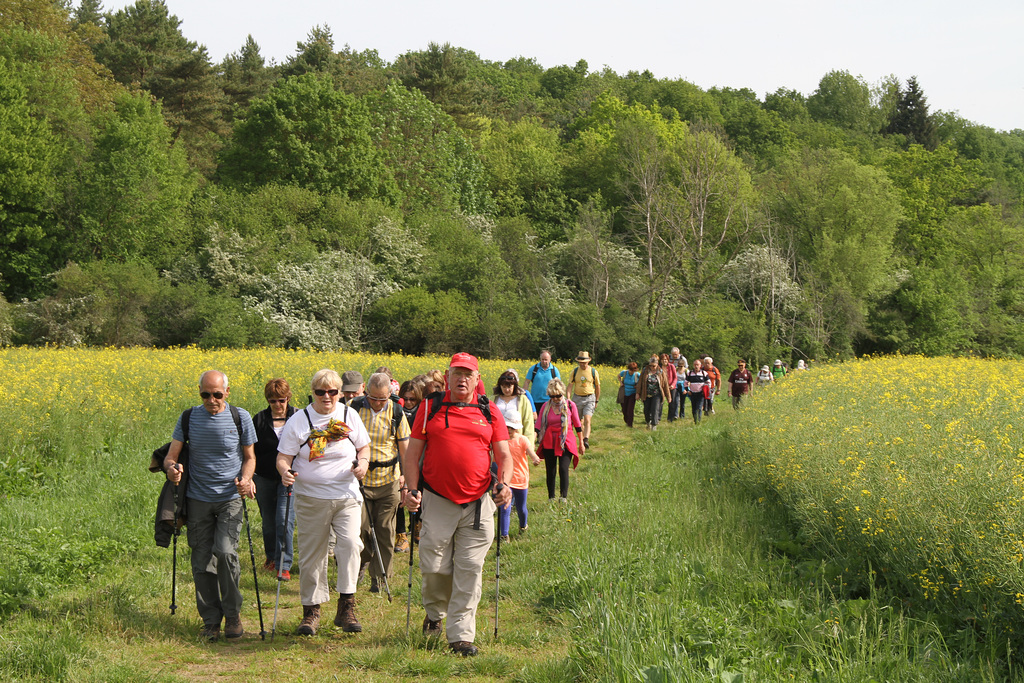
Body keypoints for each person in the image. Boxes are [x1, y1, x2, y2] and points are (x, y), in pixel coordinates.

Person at [402, 353, 513, 658]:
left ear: (478, 380)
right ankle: (435, 613)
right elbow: (412, 455)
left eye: (468, 374)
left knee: (470, 568)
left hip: (478, 503)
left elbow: (504, 455)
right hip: (438, 498)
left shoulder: (488, 410)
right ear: (448, 376)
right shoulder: (431, 406)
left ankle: (461, 634)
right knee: (434, 567)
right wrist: (411, 489)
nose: (462, 379)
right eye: (457, 373)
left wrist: (504, 485)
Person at [163, 370, 257, 642]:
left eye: (217, 394)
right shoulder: (189, 417)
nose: (211, 400)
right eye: (205, 394)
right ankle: (211, 621)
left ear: (227, 392)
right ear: (200, 392)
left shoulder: (241, 417)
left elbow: (250, 457)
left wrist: (246, 479)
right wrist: (172, 470)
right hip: (197, 499)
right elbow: (172, 456)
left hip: (230, 498)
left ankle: (233, 615)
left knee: (226, 554)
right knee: (202, 560)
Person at [277, 369, 372, 636]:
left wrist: (363, 464)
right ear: (313, 393)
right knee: (312, 554)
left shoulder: (348, 414)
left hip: (346, 495)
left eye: (332, 391)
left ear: (340, 393)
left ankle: (346, 604)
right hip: (310, 497)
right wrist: (285, 472)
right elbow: (284, 456)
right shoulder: (300, 420)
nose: (327, 397)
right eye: (321, 392)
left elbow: (364, 447)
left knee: (352, 544)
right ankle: (312, 610)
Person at [349, 373, 410, 594]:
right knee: (361, 530)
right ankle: (362, 563)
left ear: (390, 395)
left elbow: (405, 449)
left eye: (382, 399)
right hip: (359, 482)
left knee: (385, 530)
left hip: (389, 480)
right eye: (372, 398)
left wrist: (405, 481)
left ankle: (381, 576)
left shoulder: (396, 412)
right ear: (366, 393)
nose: (376, 403)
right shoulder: (353, 408)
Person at [252, 378, 297, 581]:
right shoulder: (259, 420)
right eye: (273, 401)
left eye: (281, 400)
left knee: (284, 519)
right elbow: (251, 451)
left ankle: (284, 565)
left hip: (289, 478)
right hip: (264, 477)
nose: (278, 405)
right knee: (269, 522)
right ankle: (271, 557)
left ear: (288, 398)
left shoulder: (298, 417)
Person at [537, 378, 584, 502]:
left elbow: (577, 425)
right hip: (549, 441)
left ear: (562, 393)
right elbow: (538, 425)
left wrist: (581, 443)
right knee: (550, 470)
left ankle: (563, 497)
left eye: (558, 395)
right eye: (553, 396)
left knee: (563, 469)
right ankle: (551, 497)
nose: (556, 399)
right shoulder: (545, 407)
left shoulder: (570, 405)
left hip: (566, 441)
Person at [497, 425, 541, 541]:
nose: (509, 430)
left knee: (521, 508)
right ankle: (504, 535)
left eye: (511, 428)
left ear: (516, 428)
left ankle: (523, 526)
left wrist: (535, 459)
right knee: (505, 508)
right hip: (506, 479)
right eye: (506, 428)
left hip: (521, 479)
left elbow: (531, 453)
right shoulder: (502, 442)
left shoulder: (522, 440)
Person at [492, 369, 536, 448]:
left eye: (509, 387)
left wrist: (529, 445)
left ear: (514, 386)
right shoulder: (493, 399)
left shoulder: (523, 399)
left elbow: (528, 422)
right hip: (497, 439)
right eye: (504, 387)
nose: (507, 390)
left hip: (516, 442)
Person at [567, 351, 600, 449]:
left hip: (590, 398)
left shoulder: (593, 372)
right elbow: (570, 386)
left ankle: (586, 439)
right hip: (577, 398)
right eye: (581, 362)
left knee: (587, 419)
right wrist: (568, 399)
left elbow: (598, 387)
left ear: (588, 362)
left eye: (584, 362)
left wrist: (596, 400)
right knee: (578, 422)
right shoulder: (575, 371)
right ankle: (580, 439)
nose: (582, 364)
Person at [638, 356, 671, 430]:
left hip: (657, 394)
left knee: (655, 409)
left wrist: (668, 397)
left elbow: (665, 384)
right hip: (646, 393)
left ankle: (654, 425)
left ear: (657, 365)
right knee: (646, 410)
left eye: (654, 366)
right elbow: (640, 382)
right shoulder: (645, 371)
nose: (652, 367)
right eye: (650, 365)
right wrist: (638, 393)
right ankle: (648, 422)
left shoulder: (661, 372)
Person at [684, 360, 710, 424]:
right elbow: (685, 383)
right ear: (693, 365)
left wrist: (705, 389)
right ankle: (695, 420)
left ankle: (698, 421)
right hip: (692, 393)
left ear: (700, 365)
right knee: (694, 408)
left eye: (697, 365)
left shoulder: (704, 373)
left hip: (700, 393)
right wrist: (688, 390)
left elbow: (708, 383)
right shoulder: (689, 373)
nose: (696, 366)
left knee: (699, 407)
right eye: (695, 365)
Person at [617, 361, 640, 428]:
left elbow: (642, 381)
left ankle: (630, 424)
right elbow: (618, 376)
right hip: (624, 393)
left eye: (633, 370)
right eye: (630, 370)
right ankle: (627, 421)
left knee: (630, 409)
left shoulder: (637, 374)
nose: (631, 372)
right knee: (624, 409)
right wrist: (620, 382)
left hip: (633, 393)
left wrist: (638, 386)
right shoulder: (624, 373)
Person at [667, 347, 687, 421]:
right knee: (676, 400)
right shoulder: (669, 359)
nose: (675, 356)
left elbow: (688, 378)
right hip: (675, 385)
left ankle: (682, 415)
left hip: (683, 386)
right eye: (673, 354)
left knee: (682, 401)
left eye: (676, 354)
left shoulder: (683, 359)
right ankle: (675, 415)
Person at [658, 353, 678, 422]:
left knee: (672, 403)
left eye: (666, 359)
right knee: (660, 402)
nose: (664, 361)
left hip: (671, 387)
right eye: (663, 359)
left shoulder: (671, 366)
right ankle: (658, 417)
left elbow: (675, 377)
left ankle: (670, 418)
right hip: (662, 387)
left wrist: (672, 385)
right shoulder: (658, 368)